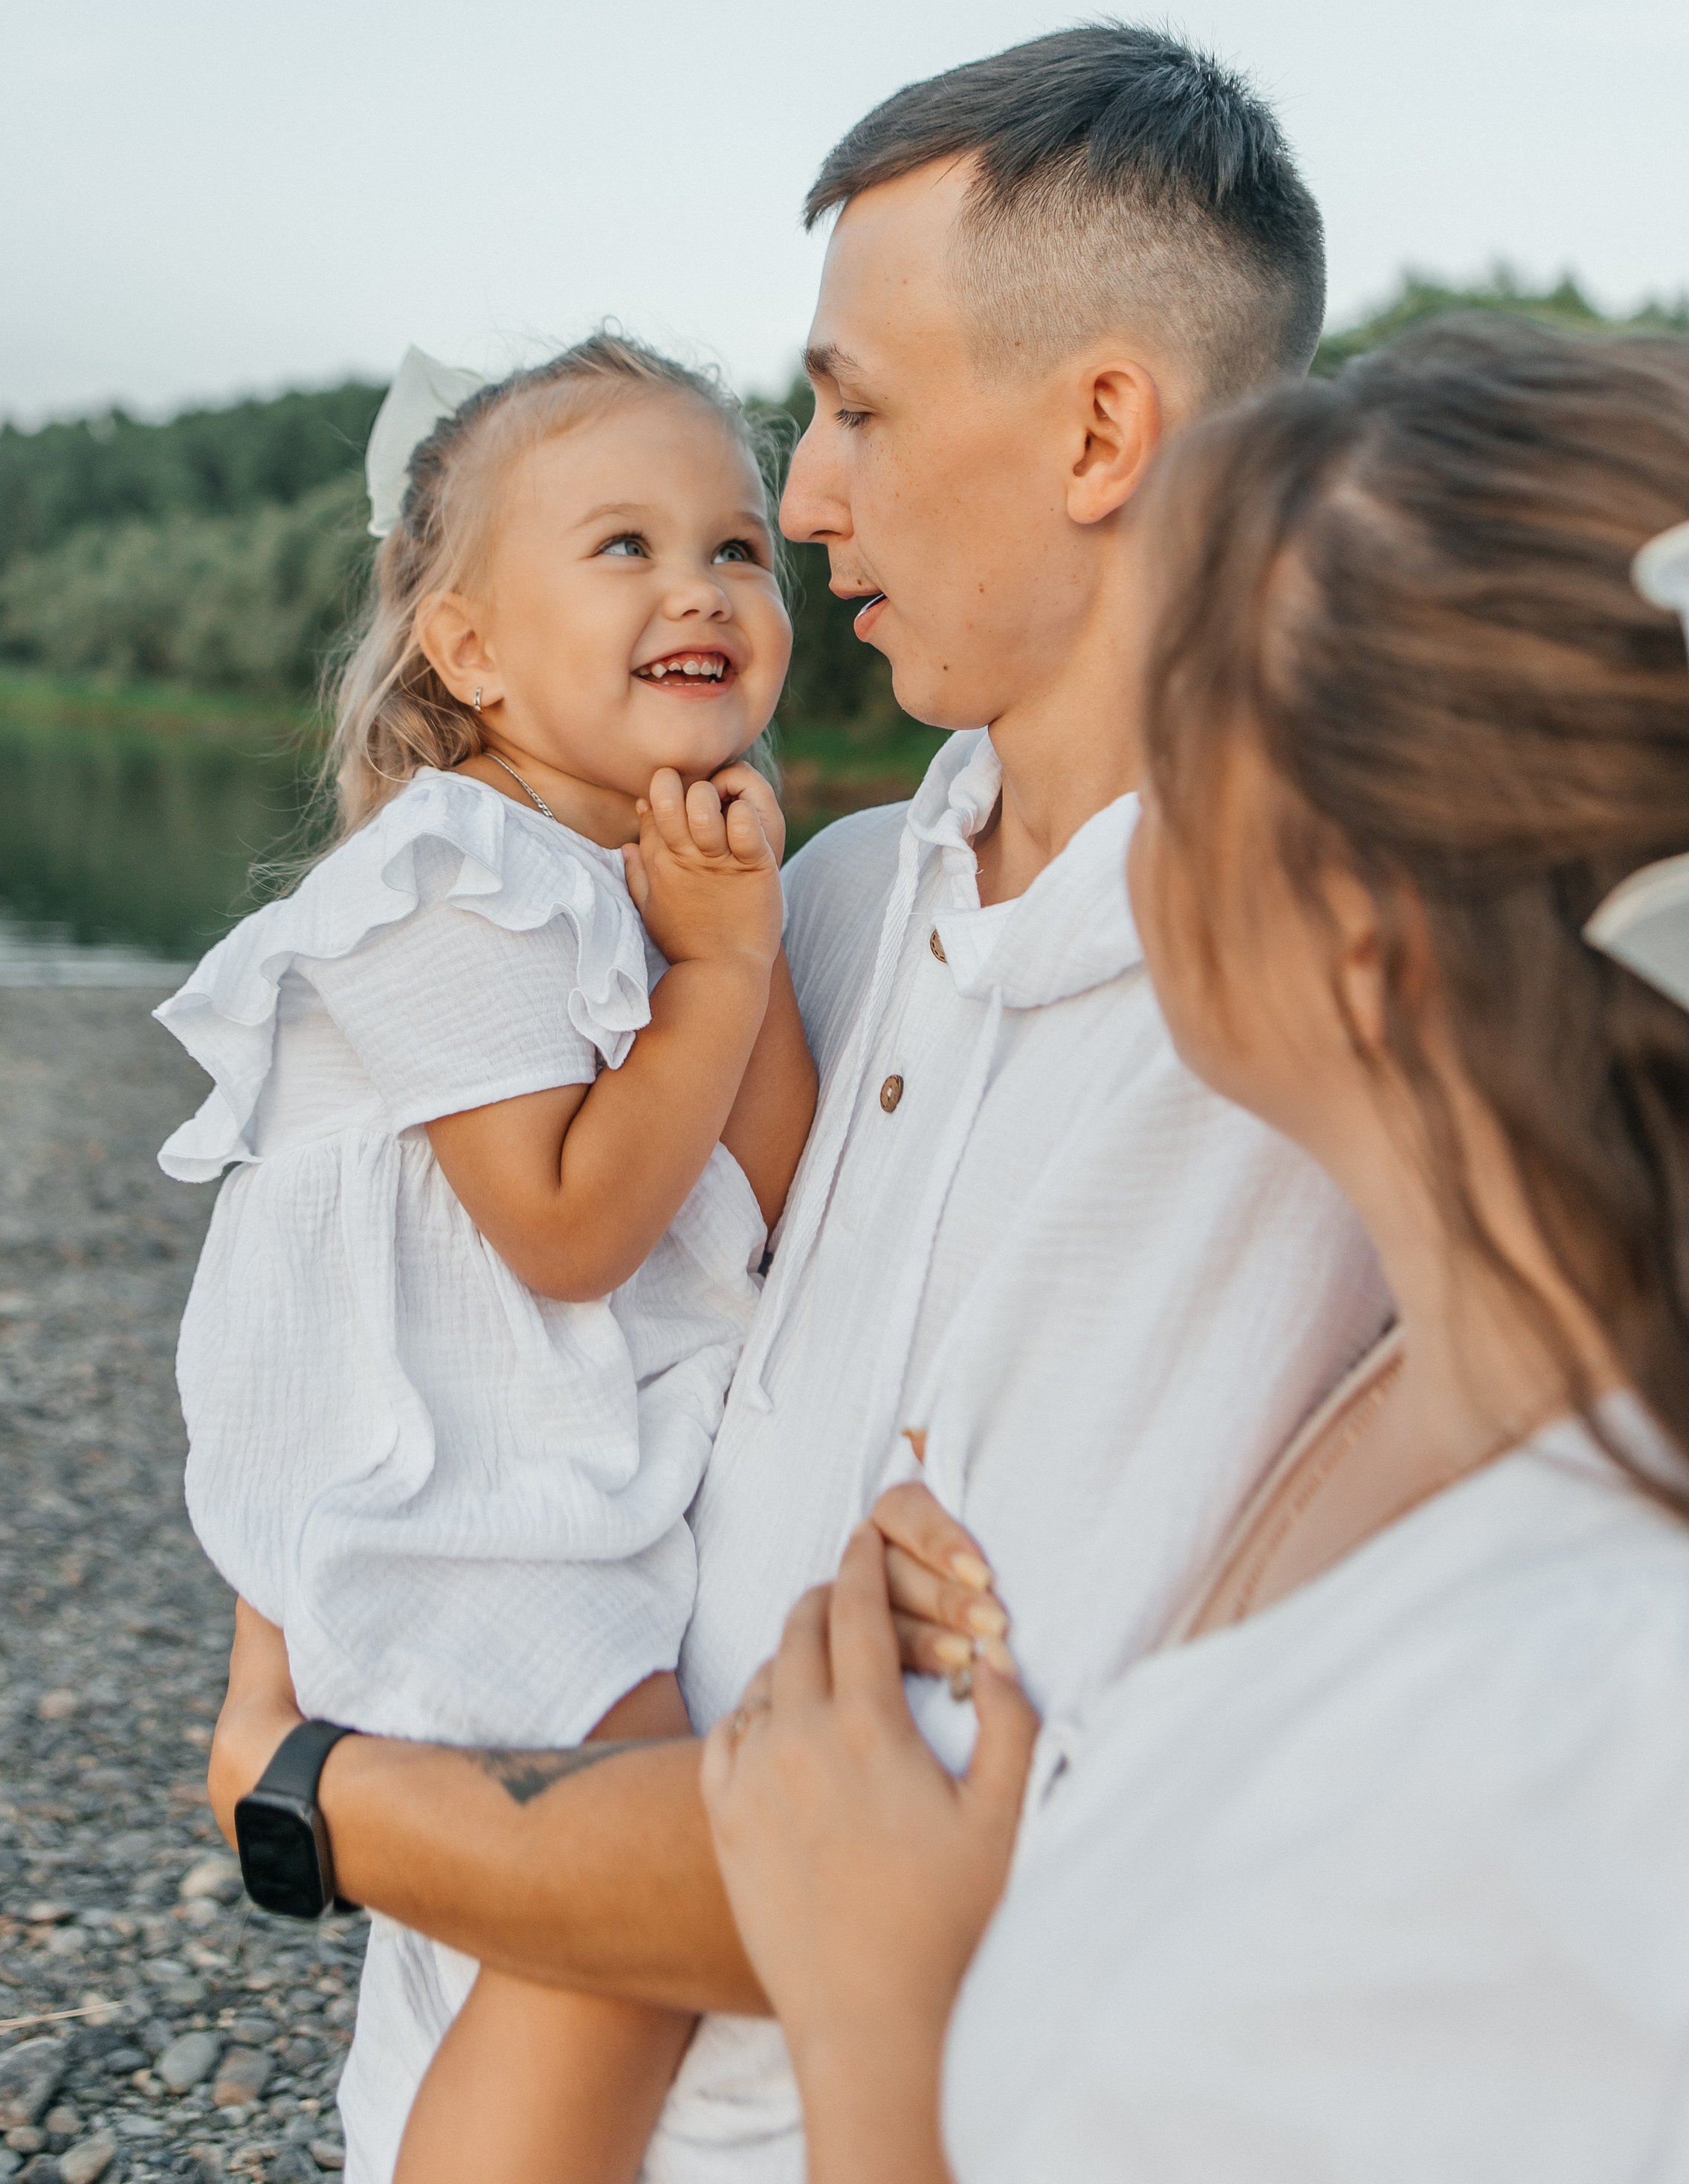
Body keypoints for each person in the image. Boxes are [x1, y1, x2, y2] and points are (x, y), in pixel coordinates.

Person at [207, 28, 1386, 2183]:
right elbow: (463, 1284)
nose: (808, 501)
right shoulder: (812, 905)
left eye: (851, 409)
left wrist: (320, 1793)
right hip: (448, 2084)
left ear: (1103, 426)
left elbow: (1001, 1830)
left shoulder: (1325, 1019)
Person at [703, 320, 1689, 2184]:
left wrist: (877, 2024)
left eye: (1182, 725)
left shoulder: (1571, 1754)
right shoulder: (1452, 1404)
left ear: (1362, 947)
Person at [157, 332, 816, 2184]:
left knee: (584, 1915)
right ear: (469, 651)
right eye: (621, 548)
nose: (696, 584)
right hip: (435, 1479)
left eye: (739, 548)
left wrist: (731, 939)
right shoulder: (441, 874)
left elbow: (773, 1185)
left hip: (558, 1472)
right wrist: (718, 975)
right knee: (627, 1912)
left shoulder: (680, 869)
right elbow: (567, 1231)